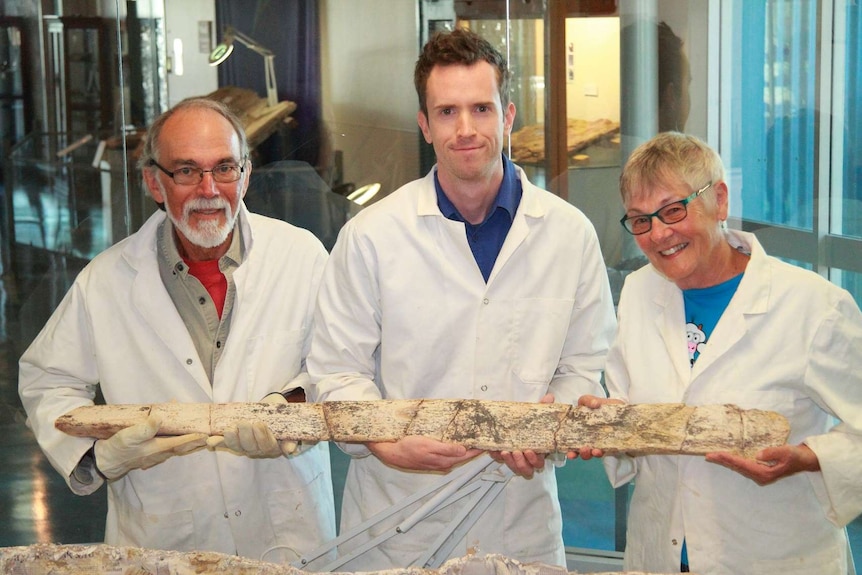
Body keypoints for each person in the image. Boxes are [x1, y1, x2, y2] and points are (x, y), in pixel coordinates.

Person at [307, 29, 617, 570]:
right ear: (425, 125)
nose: (467, 129)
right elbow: (335, 370)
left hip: (518, 517)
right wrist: (386, 439)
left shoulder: (568, 234)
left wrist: (547, 427)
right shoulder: (372, 236)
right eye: (447, 112)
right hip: (398, 520)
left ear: (508, 115)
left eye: (481, 108)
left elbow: (586, 362)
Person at [18, 98, 336, 563]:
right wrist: (99, 456)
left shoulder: (301, 256)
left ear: (245, 175)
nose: (209, 189)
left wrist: (291, 408)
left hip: (287, 530)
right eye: (186, 171)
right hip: (163, 538)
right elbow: (46, 379)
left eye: (224, 168)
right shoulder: (106, 281)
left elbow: (339, 363)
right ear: (154, 182)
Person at [578, 132, 862, 574]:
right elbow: (631, 406)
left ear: (720, 201)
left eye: (673, 210)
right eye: (640, 220)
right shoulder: (638, 292)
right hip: (660, 554)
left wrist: (808, 456)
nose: (658, 234)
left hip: (773, 557)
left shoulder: (814, 307)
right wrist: (611, 424)